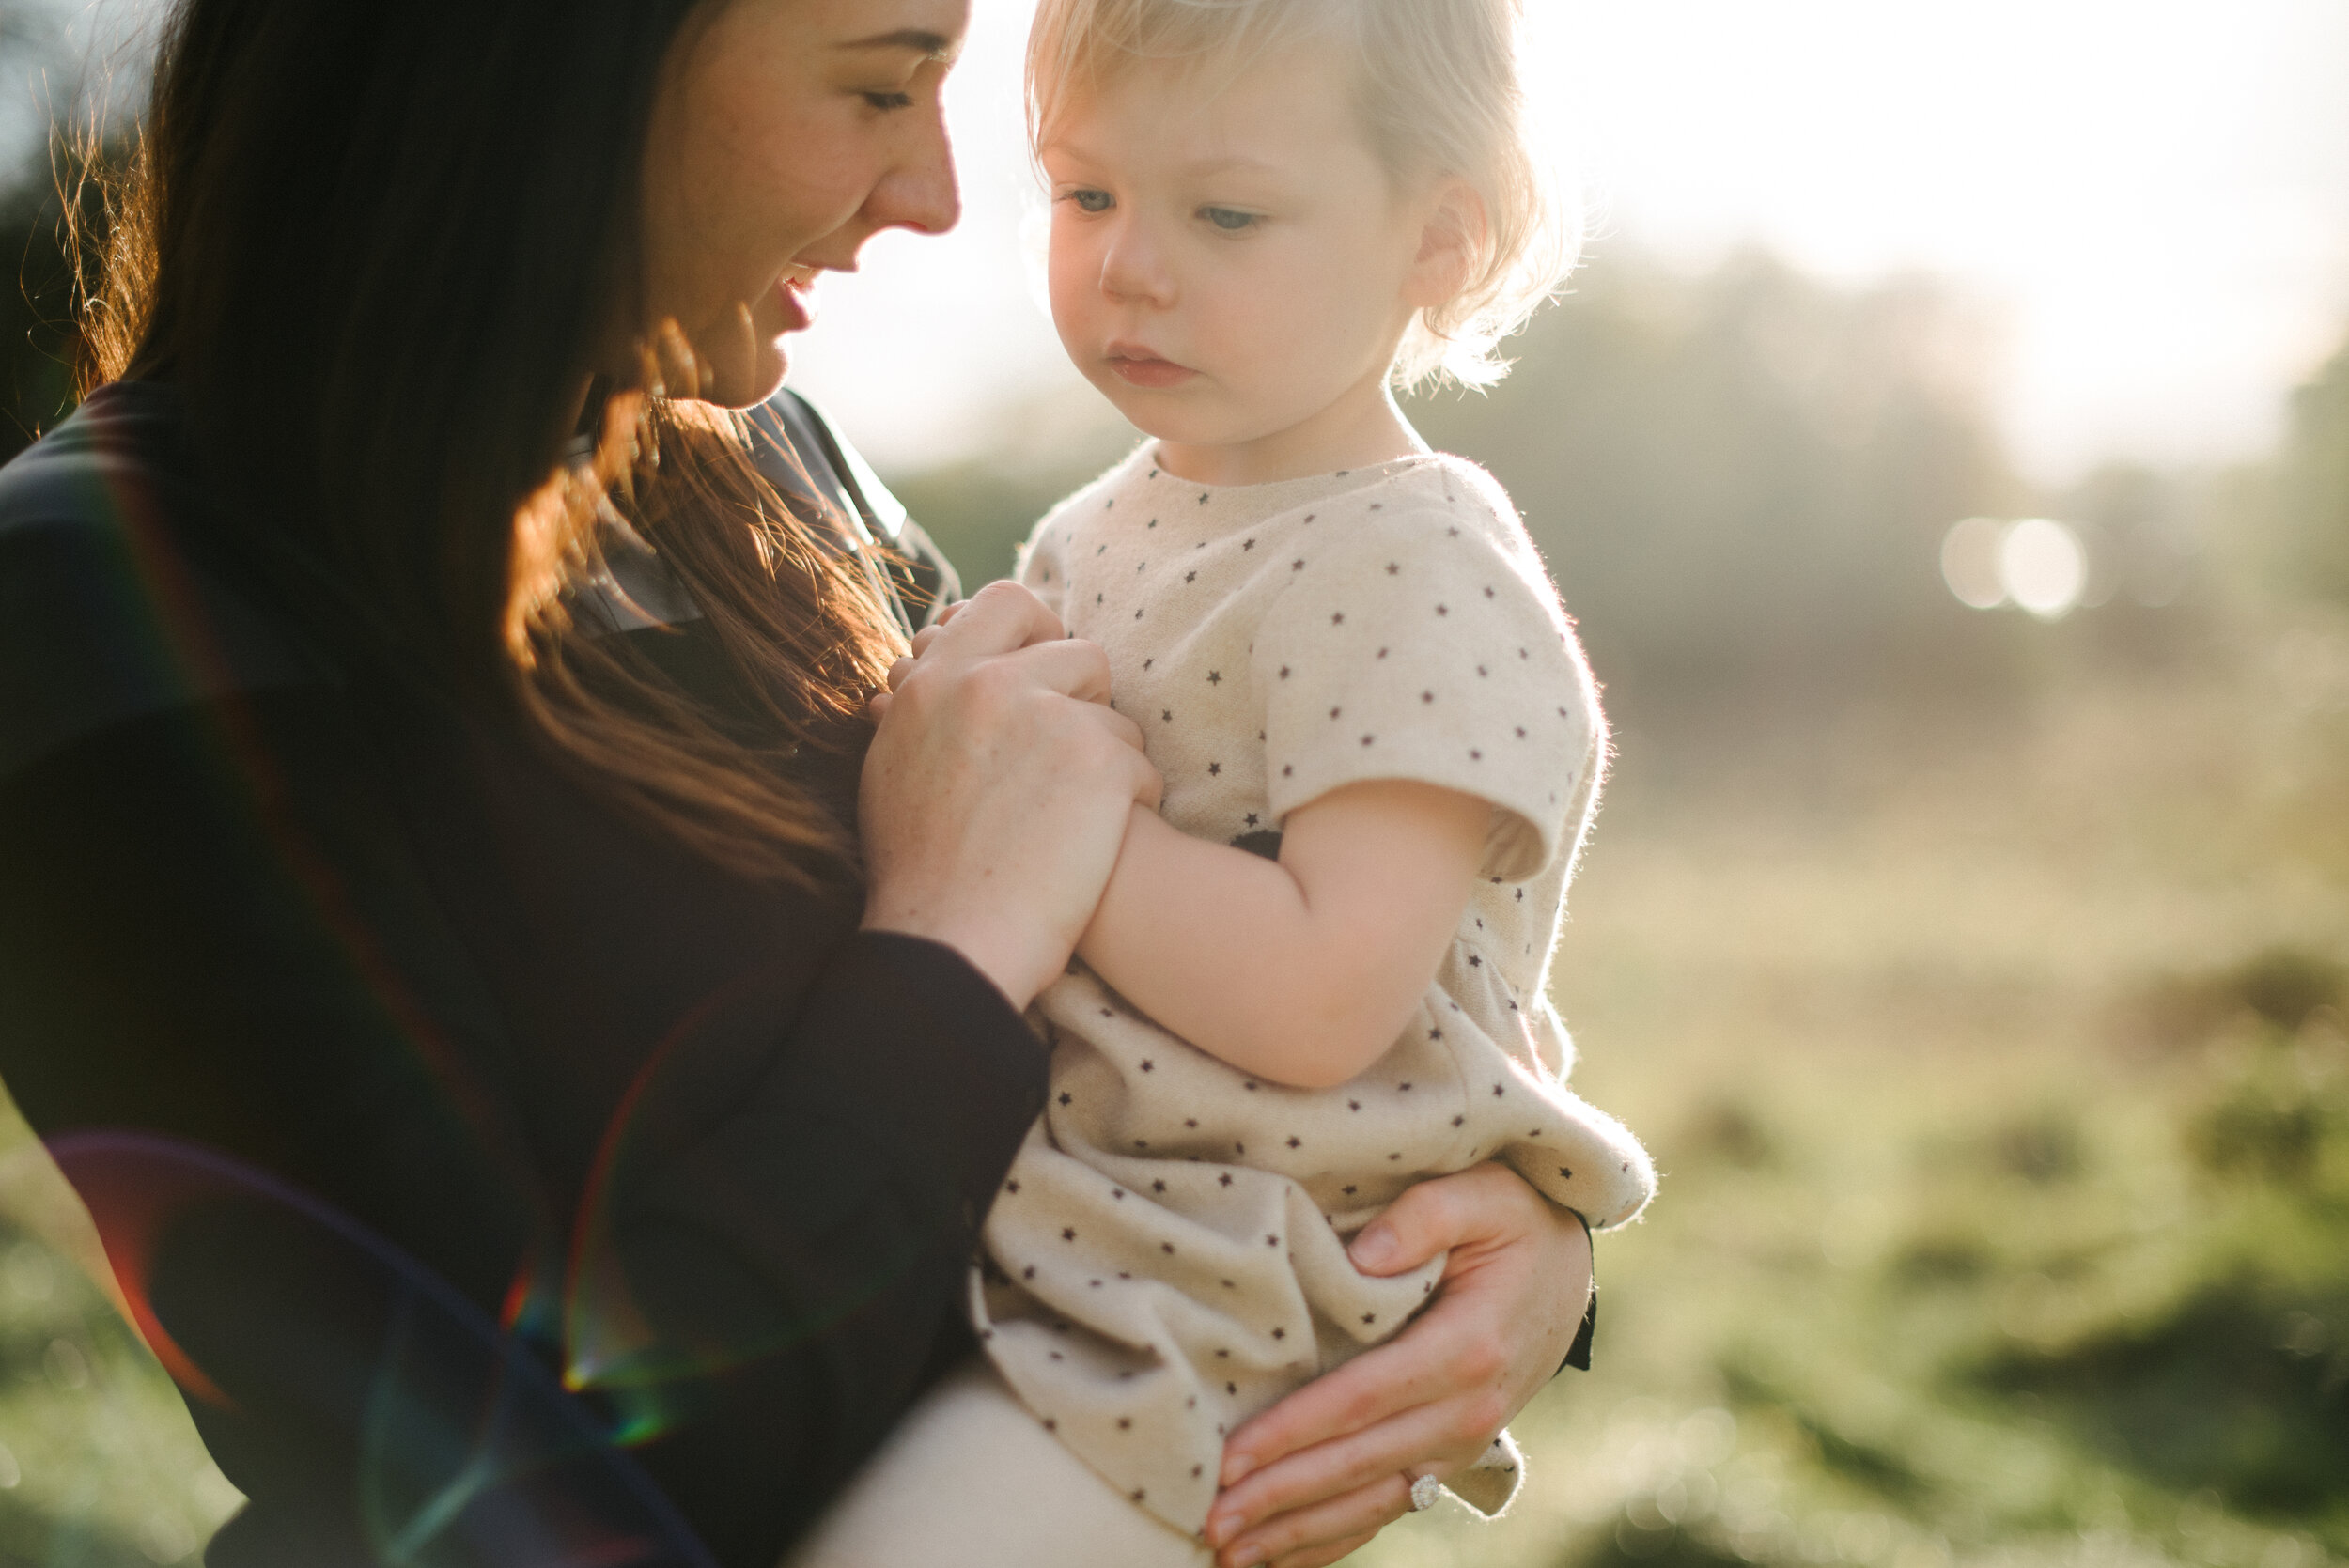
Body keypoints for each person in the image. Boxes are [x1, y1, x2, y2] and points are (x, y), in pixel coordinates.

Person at [0, 1, 1600, 1565]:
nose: (936, 197)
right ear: (561, 64)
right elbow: (481, 1477)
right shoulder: (104, 609)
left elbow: (1270, 931)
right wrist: (954, 944)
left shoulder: (760, 459)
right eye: (874, 88)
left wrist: (1518, 1254)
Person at [785, 0, 1649, 1563]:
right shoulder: (1095, 530)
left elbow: (1326, 996)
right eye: (1087, 192)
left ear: (1438, 243)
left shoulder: (1420, 559)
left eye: (1227, 212)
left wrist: (1034, 809)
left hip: (1214, 1292)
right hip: (1048, 1226)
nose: (1130, 263)